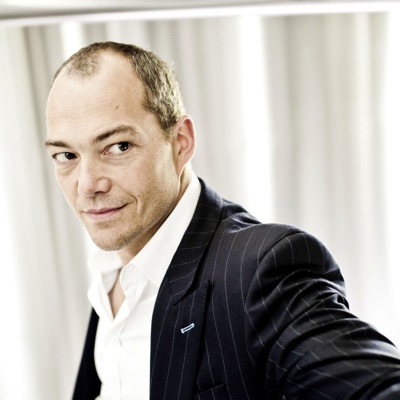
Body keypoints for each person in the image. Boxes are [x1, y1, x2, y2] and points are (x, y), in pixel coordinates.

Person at [45, 41, 400, 400]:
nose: (87, 185)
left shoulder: (261, 271)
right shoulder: (110, 272)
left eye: (118, 146)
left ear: (181, 142)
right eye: (66, 155)